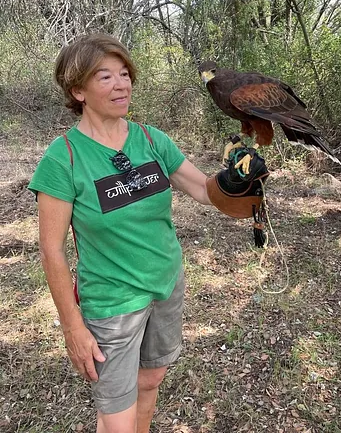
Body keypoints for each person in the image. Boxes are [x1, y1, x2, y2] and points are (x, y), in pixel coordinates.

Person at [28, 33, 268, 433]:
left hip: (166, 285)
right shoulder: (63, 157)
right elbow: (52, 251)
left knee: (151, 380)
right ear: (78, 90)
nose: (121, 84)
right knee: (117, 420)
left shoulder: (152, 140)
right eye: (104, 77)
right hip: (112, 302)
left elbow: (201, 189)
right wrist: (72, 326)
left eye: (124, 74)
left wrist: (234, 180)